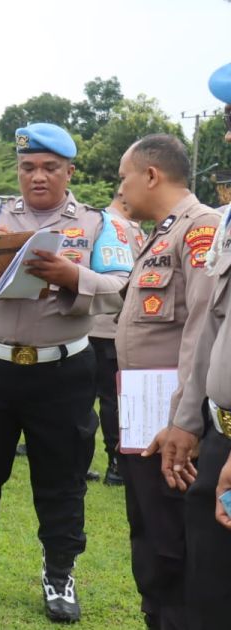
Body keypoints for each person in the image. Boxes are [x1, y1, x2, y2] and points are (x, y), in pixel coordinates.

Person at [0, 123, 133, 622]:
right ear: (18, 170)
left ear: (69, 171)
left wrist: (74, 277)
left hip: (63, 371)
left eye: (50, 167)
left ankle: (59, 573)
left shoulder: (96, 223)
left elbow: (123, 283)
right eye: (28, 167)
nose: (38, 177)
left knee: (63, 477)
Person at [114, 134, 220, 629]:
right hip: (145, 414)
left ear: (151, 175)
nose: (121, 189)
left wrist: (184, 417)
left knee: (173, 545)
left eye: (123, 178)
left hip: (174, 418)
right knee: (151, 537)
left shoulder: (200, 229)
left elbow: (203, 326)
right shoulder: (162, 232)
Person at [168, 63, 231, 629]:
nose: (230, 134)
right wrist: (189, 421)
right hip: (219, 433)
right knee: (207, 590)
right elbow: (212, 325)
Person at [89, 196, 143, 487]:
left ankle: (79, 460)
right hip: (112, 326)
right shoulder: (123, 227)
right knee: (112, 398)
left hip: (87, 324)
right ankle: (116, 463)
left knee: (83, 398)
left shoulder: (94, 221)